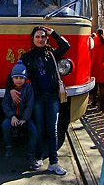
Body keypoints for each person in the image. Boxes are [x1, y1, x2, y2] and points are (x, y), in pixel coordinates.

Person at [8, 26, 70, 175]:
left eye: (43, 37)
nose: (41, 39)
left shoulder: (52, 54)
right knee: (39, 129)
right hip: (37, 98)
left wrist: (53, 32)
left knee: (52, 129)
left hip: (53, 97)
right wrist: (10, 88)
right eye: (37, 37)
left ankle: (54, 163)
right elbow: (15, 75)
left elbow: (66, 45)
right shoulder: (27, 58)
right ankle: (38, 157)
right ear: (33, 39)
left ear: (46, 39)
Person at [1, 61, 37, 163]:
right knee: (4, 125)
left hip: (25, 118)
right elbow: (5, 103)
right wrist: (12, 116)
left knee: (34, 131)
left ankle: (31, 153)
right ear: (12, 79)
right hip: (13, 116)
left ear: (25, 79)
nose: (19, 80)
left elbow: (30, 104)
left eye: (21, 78)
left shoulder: (28, 88)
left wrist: (25, 119)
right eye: (16, 78)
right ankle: (9, 148)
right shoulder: (10, 90)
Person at [90, 28, 104, 108]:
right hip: (102, 65)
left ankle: (94, 102)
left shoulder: (93, 40)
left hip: (94, 65)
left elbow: (90, 52)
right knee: (102, 85)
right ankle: (102, 103)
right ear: (103, 33)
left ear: (96, 33)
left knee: (95, 84)